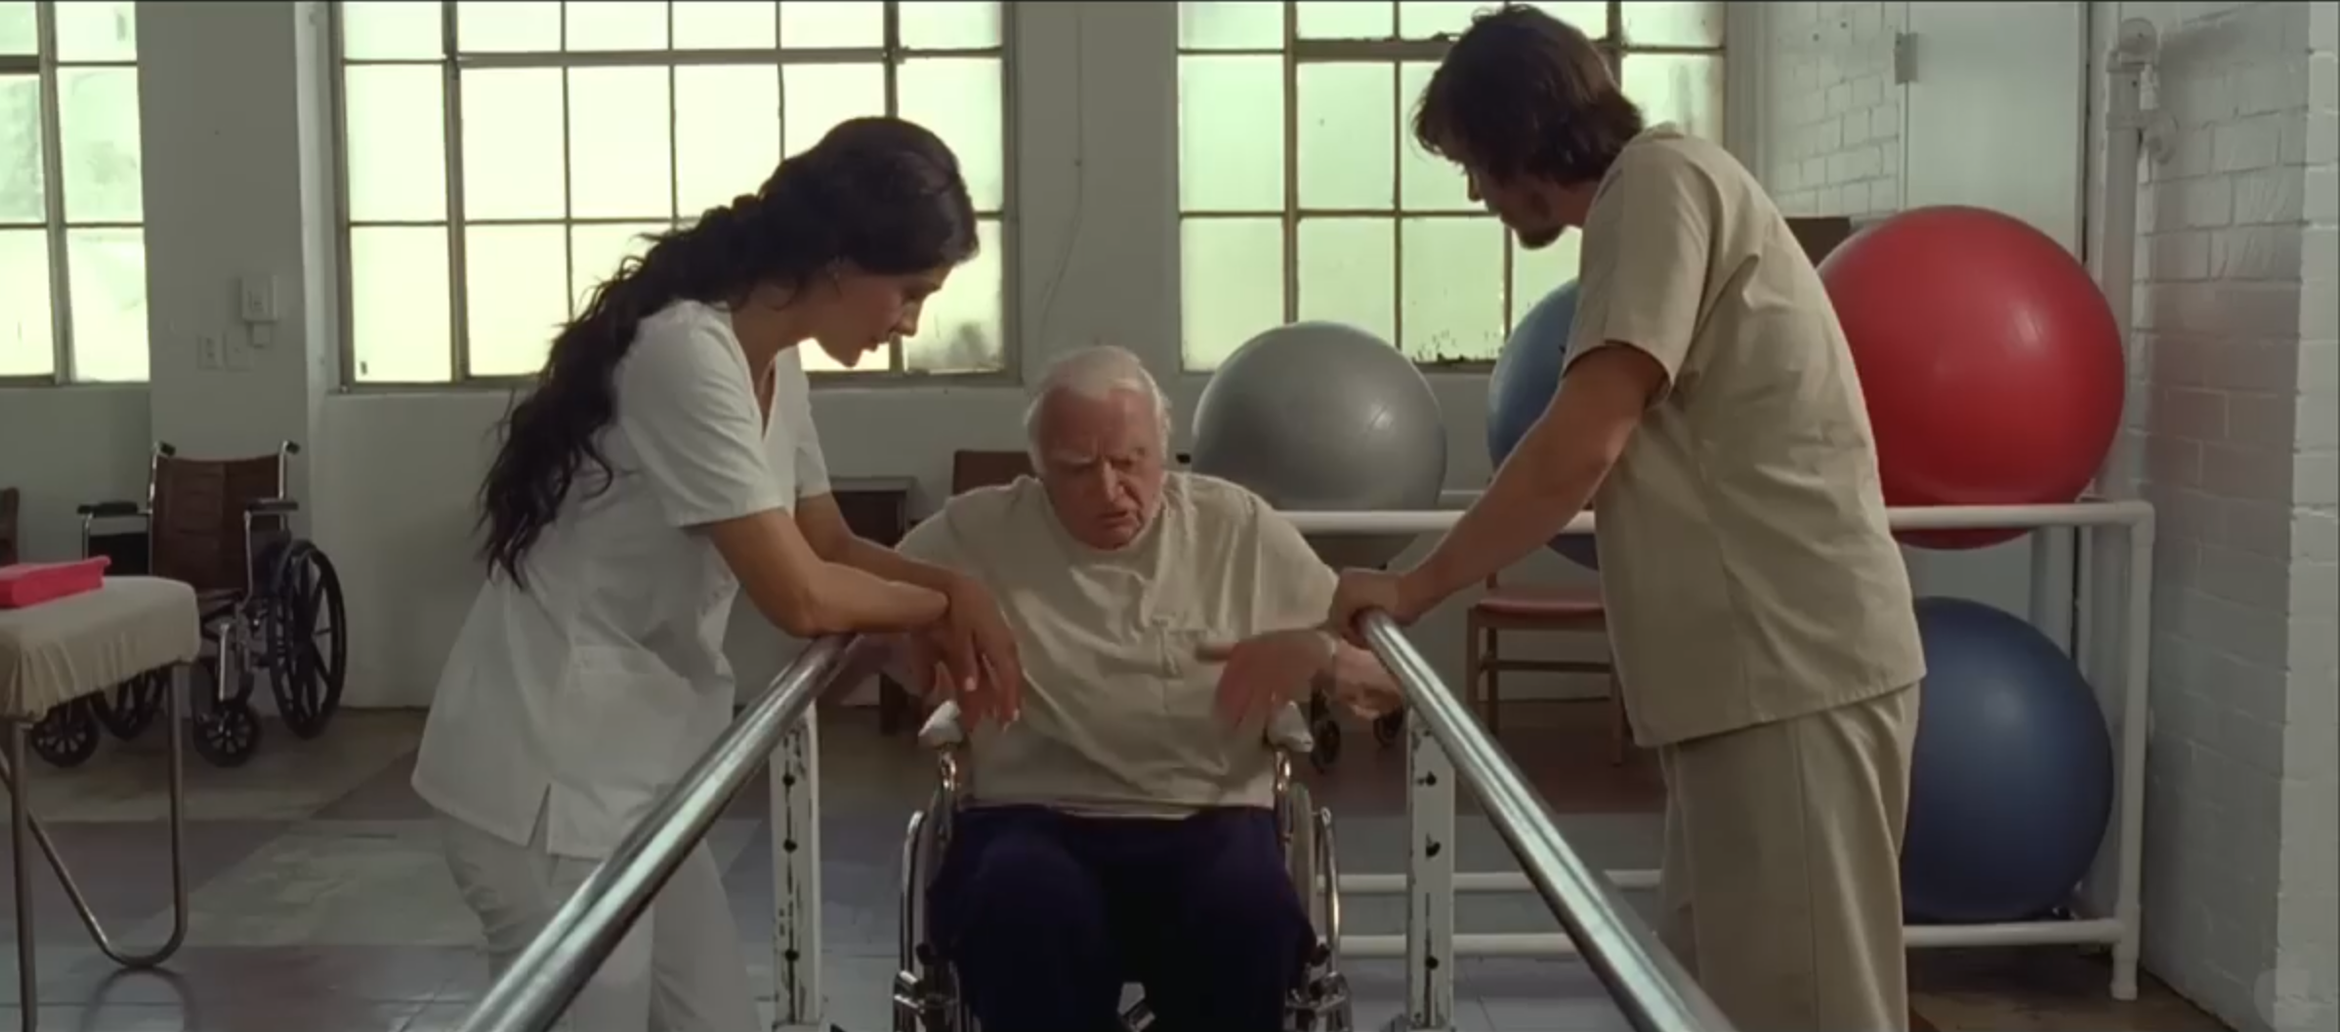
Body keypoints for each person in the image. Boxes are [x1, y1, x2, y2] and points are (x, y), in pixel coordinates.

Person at [1236, 7, 1931, 1032]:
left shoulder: (1658, 184)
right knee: (1709, 998)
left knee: (1806, 1007)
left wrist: (1416, 583)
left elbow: (1584, 440)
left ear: (1520, 133)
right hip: (1739, 682)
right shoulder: (1651, 202)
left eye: (1472, 159)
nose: (1473, 191)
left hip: (1789, 668)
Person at [410, 117, 1023, 1032]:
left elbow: (830, 543)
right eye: (909, 292)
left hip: (650, 769)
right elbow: (801, 594)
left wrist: (944, 599)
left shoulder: (773, 359)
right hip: (549, 779)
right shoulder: (684, 352)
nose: (910, 323)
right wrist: (951, 598)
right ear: (841, 261)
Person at [889, 345, 1401, 1032]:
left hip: (1209, 816)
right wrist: (923, 639)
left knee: (1249, 913)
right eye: (1077, 469)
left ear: (1166, 451)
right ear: (1038, 471)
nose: (1109, 489)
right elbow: (857, 617)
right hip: (1031, 815)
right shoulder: (978, 530)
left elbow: (1396, 680)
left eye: (1130, 462)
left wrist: (1320, 656)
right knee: (1017, 903)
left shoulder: (1236, 528)